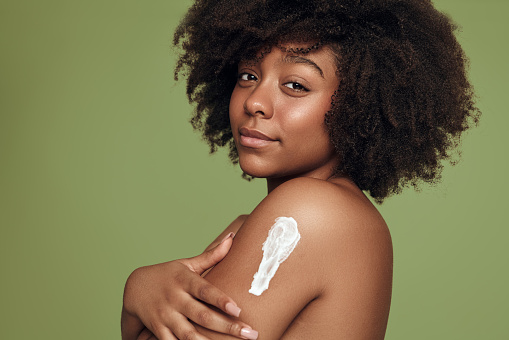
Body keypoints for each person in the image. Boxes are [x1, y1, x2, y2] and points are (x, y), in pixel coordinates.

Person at [121, 0, 480, 339]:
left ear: (358, 106)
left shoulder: (308, 213)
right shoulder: (289, 221)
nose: (255, 102)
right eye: (248, 75)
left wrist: (137, 292)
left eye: (295, 85)